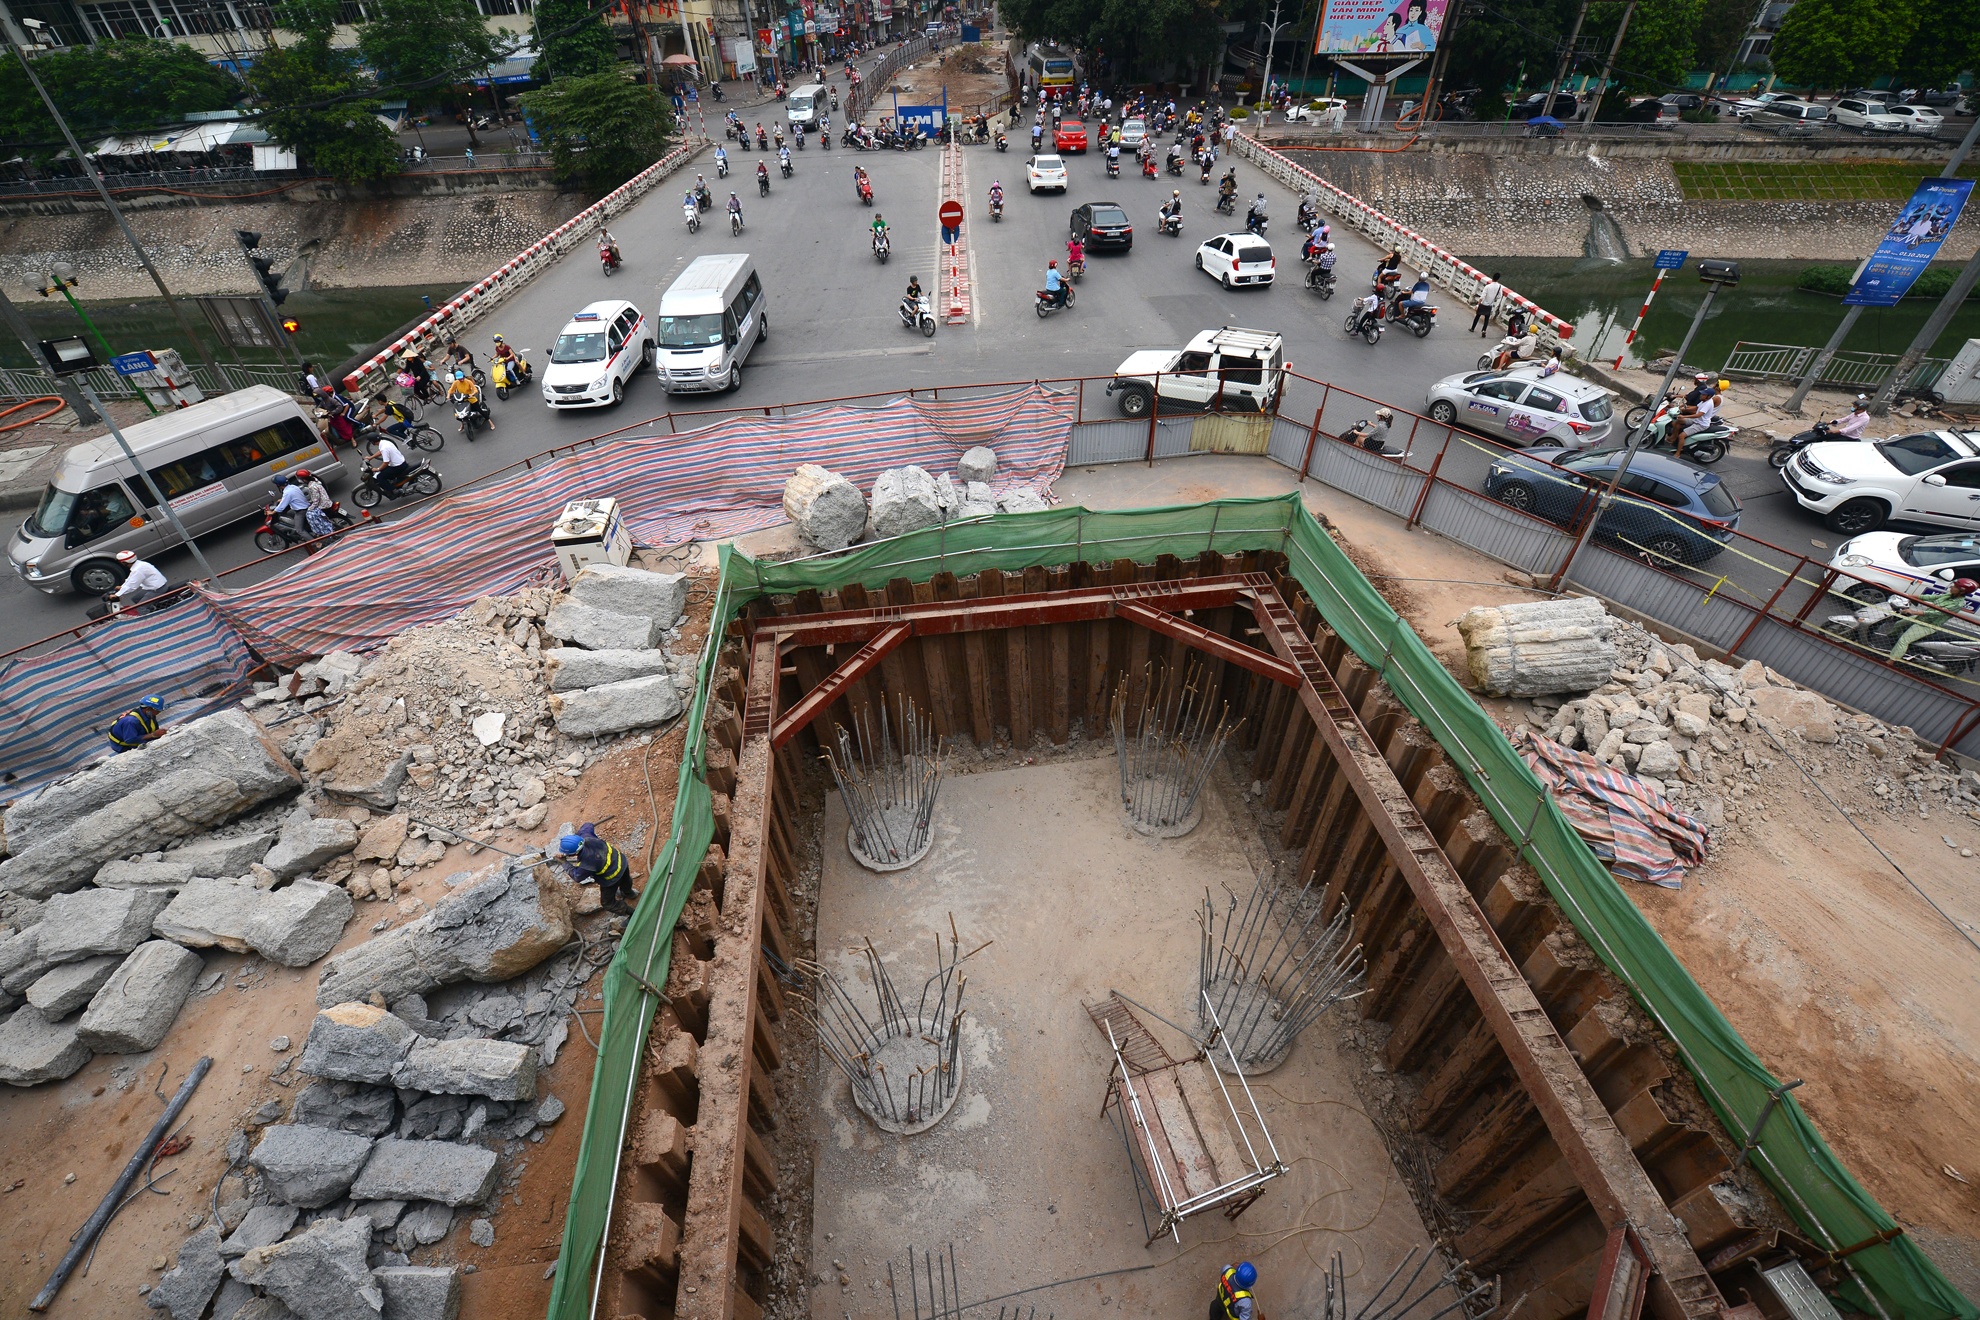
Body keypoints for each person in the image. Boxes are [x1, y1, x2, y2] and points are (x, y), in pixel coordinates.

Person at [1888, 578, 1980, 661]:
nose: (1952, 587)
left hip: (1928, 625)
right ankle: (1891, 639)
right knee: (1899, 623)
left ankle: (1891, 661)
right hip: (1921, 618)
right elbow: (1932, 597)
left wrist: (1914, 612)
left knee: (1904, 640)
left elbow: (1937, 613)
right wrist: (1909, 596)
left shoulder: (1957, 604)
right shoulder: (1949, 595)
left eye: (1955, 587)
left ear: (1962, 592)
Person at [556, 824, 637, 915]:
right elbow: (588, 825)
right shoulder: (587, 836)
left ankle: (632, 913)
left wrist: (563, 862)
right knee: (626, 881)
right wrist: (574, 840)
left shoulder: (587, 862)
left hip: (612, 878)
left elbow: (577, 876)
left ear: (573, 853)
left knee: (608, 904)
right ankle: (629, 893)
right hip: (621, 862)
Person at [271, 473, 316, 542]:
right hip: (306, 506)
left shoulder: (287, 492)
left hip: (301, 511)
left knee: (299, 530)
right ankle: (305, 526)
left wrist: (272, 512)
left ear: (278, 485)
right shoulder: (293, 487)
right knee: (290, 512)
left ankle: (316, 543)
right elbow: (292, 496)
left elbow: (281, 507)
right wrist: (282, 499)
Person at [296, 468, 335, 536]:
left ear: (304, 479)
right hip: (325, 501)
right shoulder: (315, 481)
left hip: (323, 505)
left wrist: (310, 508)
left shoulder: (312, 487)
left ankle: (323, 531)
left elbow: (316, 501)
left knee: (310, 515)